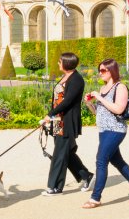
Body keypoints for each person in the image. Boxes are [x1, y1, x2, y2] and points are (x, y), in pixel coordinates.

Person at [82, 58, 129, 209]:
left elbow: (118, 109)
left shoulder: (120, 87)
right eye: (99, 70)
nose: (100, 73)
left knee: (101, 160)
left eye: (103, 71)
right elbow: (99, 113)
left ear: (112, 71)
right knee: (117, 161)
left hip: (116, 130)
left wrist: (99, 97)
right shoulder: (103, 89)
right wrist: (89, 104)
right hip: (104, 130)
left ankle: (95, 198)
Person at [40, 52, 94, 196]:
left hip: (66, 122)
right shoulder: (65, 76)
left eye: (60, 61)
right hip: (58, 121)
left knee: (59, 154)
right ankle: (86, 175)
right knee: (66, 152)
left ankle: (55, 187)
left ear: (67, 64)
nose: (58, 63)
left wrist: (50, 114)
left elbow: (67, 101)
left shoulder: (77, 79)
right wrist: (51, 117)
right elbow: (58, 99)